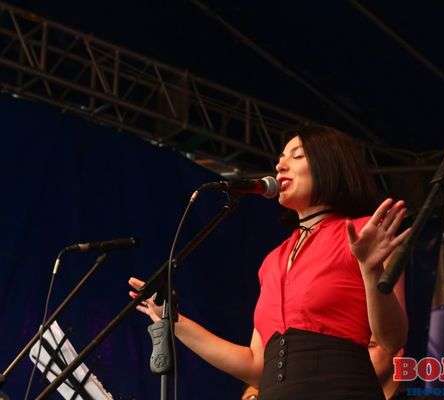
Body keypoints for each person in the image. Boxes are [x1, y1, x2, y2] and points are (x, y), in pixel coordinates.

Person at [129, 125, 410, 399]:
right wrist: (175, 322)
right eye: (280, 158)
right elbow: (256, 365)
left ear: (331, 165)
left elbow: (391, 341)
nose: (280, 166)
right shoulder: (273, 261)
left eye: (297, 156)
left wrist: (371, 270)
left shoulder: (366, 234)